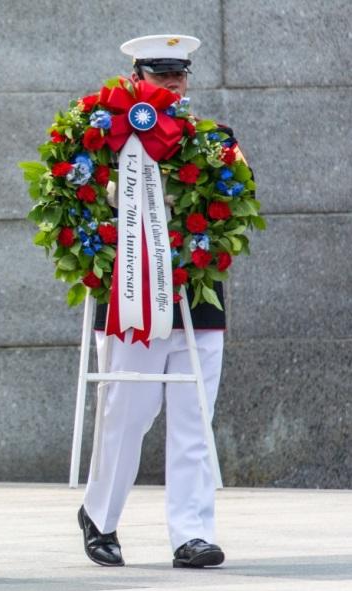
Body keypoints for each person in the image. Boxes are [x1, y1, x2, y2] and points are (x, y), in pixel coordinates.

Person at [78, 34, 238, 569]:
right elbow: (77, 207)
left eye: (180, 73)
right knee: (126, 415)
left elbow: (238, 203)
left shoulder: (215, 140)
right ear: (136, 78)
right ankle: (100, 517)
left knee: (195, 421)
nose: (173, 82)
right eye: (159, 73)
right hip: (130, 304)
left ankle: (192, 534)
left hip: (197, 302)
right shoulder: (101, 139)